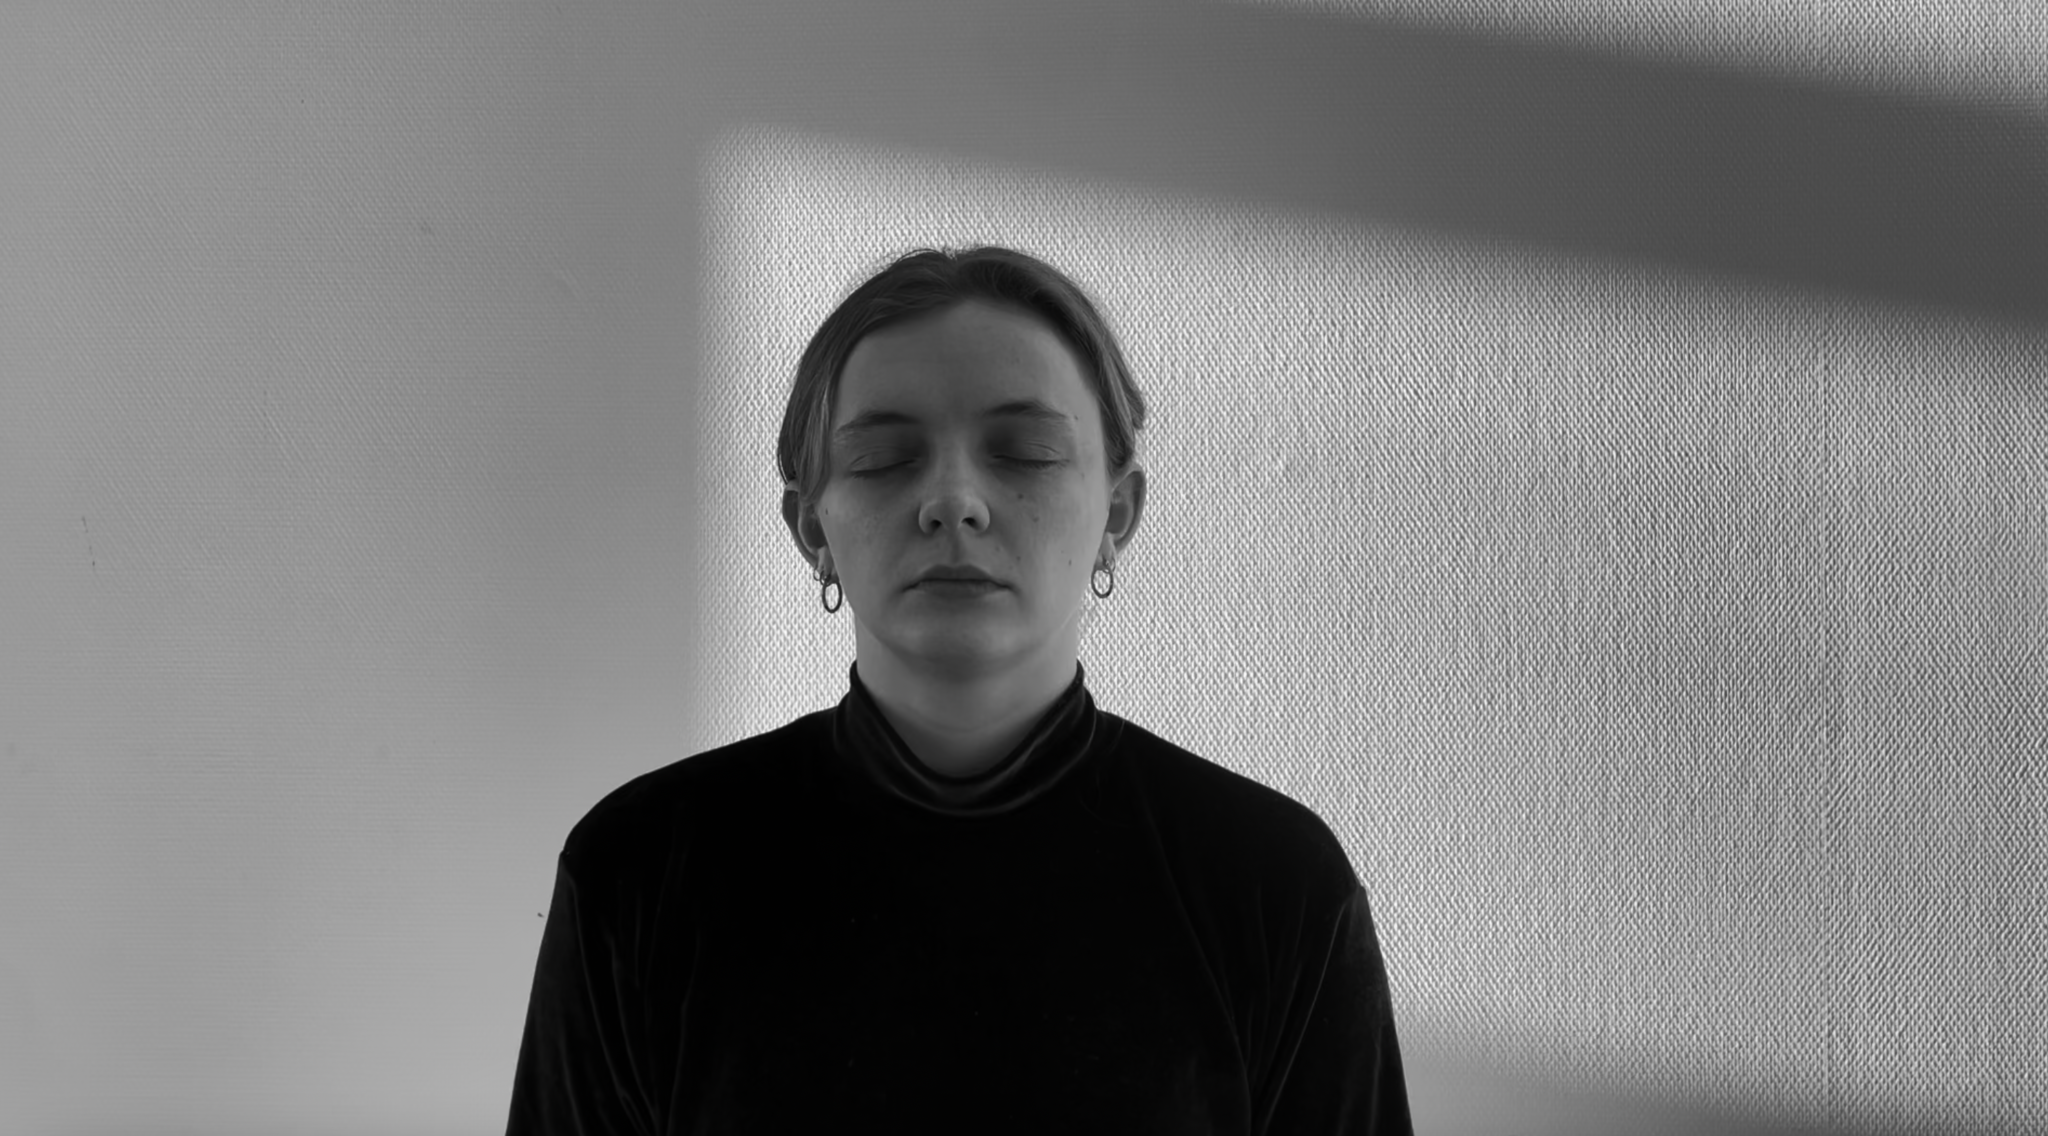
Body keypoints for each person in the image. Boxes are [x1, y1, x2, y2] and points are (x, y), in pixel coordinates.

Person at [505, 245, 1413, 1133]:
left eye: (1024, 452)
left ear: (1118, 513)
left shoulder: (1274, 885)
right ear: (811, 527)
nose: (953, 501)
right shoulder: (640, 874)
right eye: (883, 459)